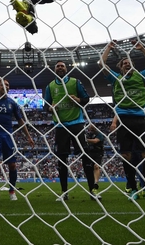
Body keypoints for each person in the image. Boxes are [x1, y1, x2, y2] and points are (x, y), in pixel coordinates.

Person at [100, 40, 145, 201]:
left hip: (141, 120)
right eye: (124, 63)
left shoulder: (140, 76)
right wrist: (108, 48)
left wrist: (142, 48)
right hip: (124, 120)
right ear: (121, 67)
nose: (127, 65)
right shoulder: (116, 79)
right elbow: (102, 64)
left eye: (129, 63)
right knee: (126, 155)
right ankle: (132, 188)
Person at [44, 60, 98, 201]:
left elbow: (86, 99)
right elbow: (46, 106)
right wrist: (50, 108)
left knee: (85, 156)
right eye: (58, 66)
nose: (60, 68)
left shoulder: (75, 82)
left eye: (62, 66)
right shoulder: (50, 86)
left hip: (77, 124)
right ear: (54, 70)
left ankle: (93, 191)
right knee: (61, 159)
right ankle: (64, 192)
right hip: (60, 126)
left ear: (66, 69)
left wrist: (78, 99)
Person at [0, 78, 34, 202]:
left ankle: (12, 190)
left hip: (8, 135)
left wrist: (28, 136)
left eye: (7, 85)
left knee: (12, 165)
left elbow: (20, 121)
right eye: (2, 85)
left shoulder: (12, 103)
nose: (5, 86)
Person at [84, 123, 105, 198]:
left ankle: (96, 183)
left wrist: (86, 140)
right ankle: (92, 186)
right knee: (89, 169)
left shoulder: (99, 134)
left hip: (98, 153)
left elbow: (96, 141)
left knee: (96, 166)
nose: (91, 127)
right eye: (90, 125)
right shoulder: (88, 134)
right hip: (89, 153)